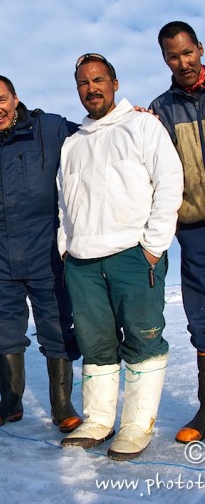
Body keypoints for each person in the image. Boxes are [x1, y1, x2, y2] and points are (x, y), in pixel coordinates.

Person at [58, 53, 183, 460]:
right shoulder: (73, 143)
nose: (91, 88)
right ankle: (98, 419)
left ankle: (135, 425)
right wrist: (66, 246)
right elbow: (64, 202)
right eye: (83, 83)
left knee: (144, 340)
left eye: (98, 80)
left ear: (114, 82)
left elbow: (169, 182)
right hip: (83, 260)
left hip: (133, 254)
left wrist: (152, 246)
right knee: (96, 345)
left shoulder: (143, 126)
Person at [0, 75, 82, 433]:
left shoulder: (51, 127)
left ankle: (62, 406)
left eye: (2, 100)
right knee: (3, 327)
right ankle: (10, 402)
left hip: (45, 245)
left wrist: (135, 119)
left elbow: (98, 135)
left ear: (15, 99)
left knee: (56, 324)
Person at [149, 22, 205, 444]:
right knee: (201, 317)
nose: (182, 62)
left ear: (199, 49)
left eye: (187, 52)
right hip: (194, 226)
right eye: (173, 56)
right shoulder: (162, 108)